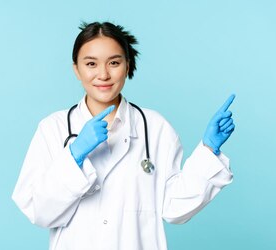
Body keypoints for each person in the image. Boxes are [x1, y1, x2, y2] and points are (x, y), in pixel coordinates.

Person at [12, 21, 236, 250]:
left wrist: (209, 150)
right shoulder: (53, 129)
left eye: (114, 63)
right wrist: (74, 156)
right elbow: (39, 212)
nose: (103, 74)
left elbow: (174, 208)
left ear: (127, 66)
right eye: (91, 63)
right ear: (76, 70)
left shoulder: (155, 127)